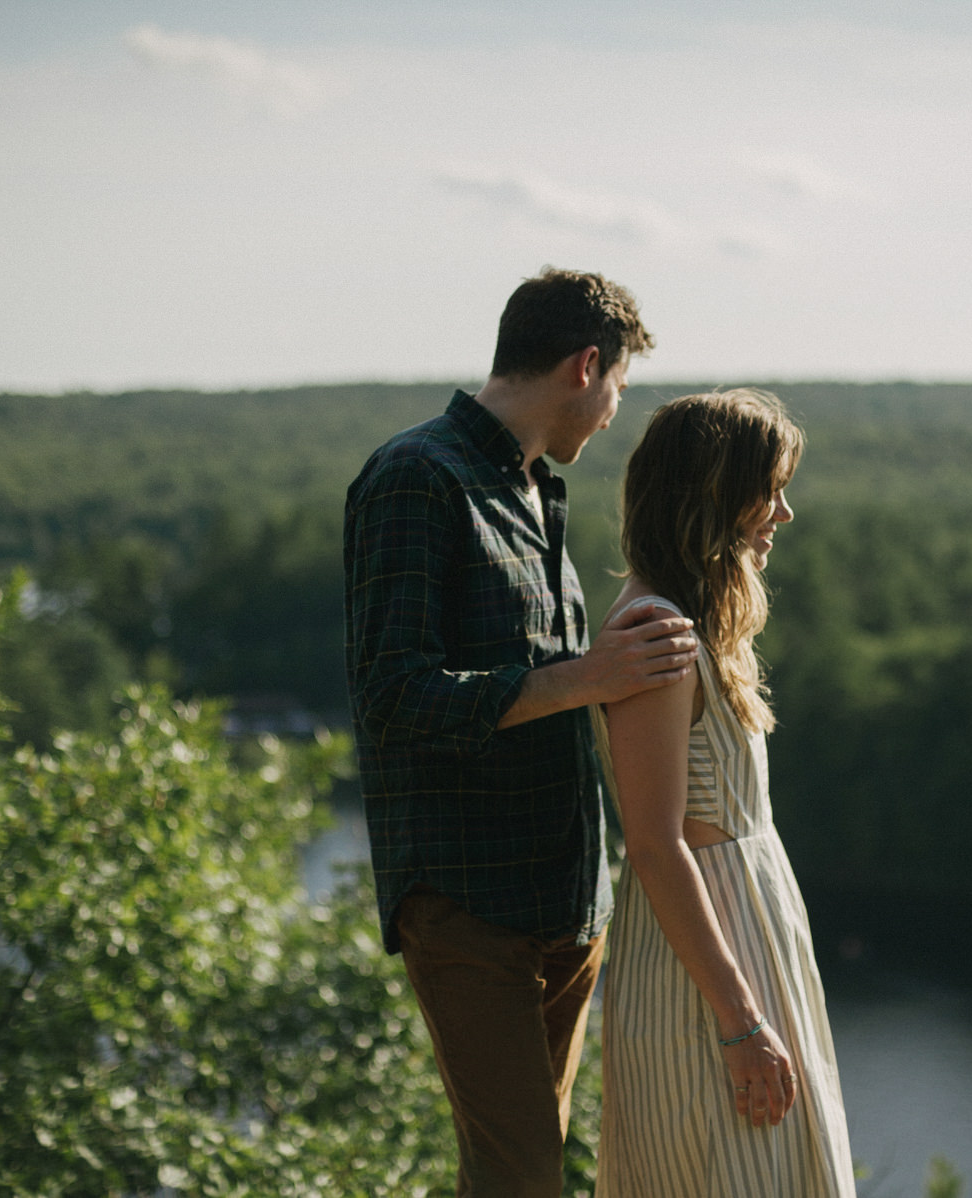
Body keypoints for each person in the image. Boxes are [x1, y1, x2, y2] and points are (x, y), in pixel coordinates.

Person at [343, 268, 698, 1197]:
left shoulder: (535, 491)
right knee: (522, 1181)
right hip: (468, 898)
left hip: (563, 902)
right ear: (586, 366)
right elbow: (393, 696)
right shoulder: (416, 477)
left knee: (525, 1173)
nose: (615, 411)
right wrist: (591, 676)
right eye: (619, 387)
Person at [596, 389, 855, 1196]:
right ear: (712, 494)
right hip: (701, 965)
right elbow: (654, 842)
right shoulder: (655, 631)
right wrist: (740, 1022)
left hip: (750, 929)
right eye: (767, 490)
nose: (783, 512)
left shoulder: (697, 624)